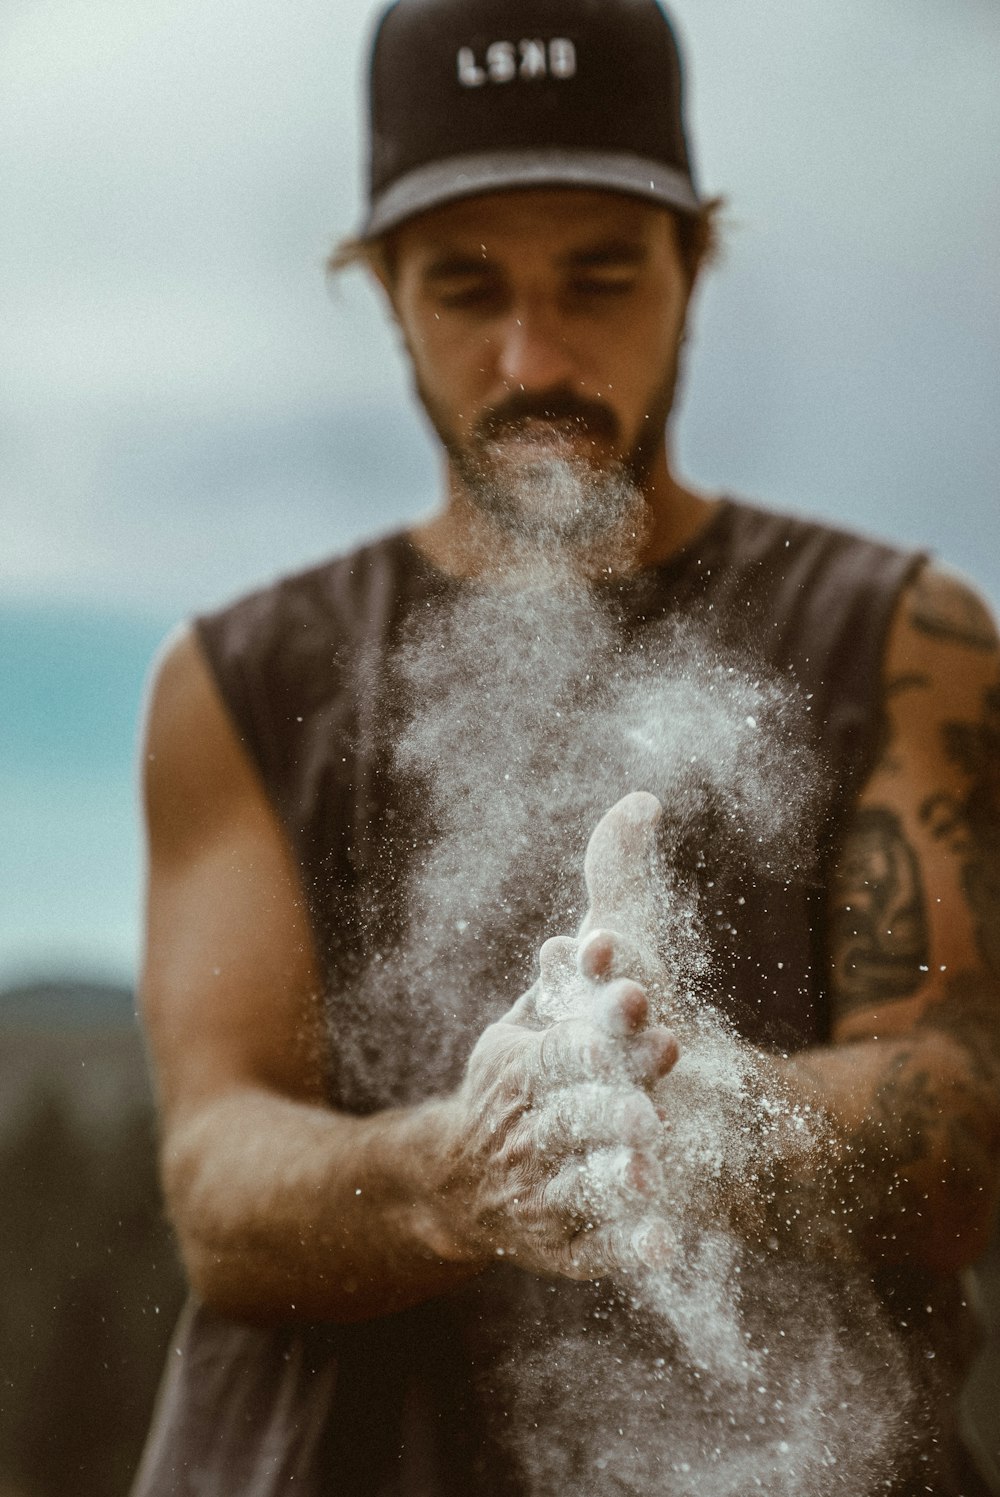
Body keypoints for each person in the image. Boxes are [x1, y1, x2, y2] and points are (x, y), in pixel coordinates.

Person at [131, 1, 1000, 1493]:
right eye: (464, 284)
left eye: (600, 274)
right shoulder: (239, 677)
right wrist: (462, 1168)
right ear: (383, 289)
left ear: (694, 264)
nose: (533, 352)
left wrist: (706, 1120)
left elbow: (962, 1109)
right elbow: (216, 1178)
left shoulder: (905, 634)